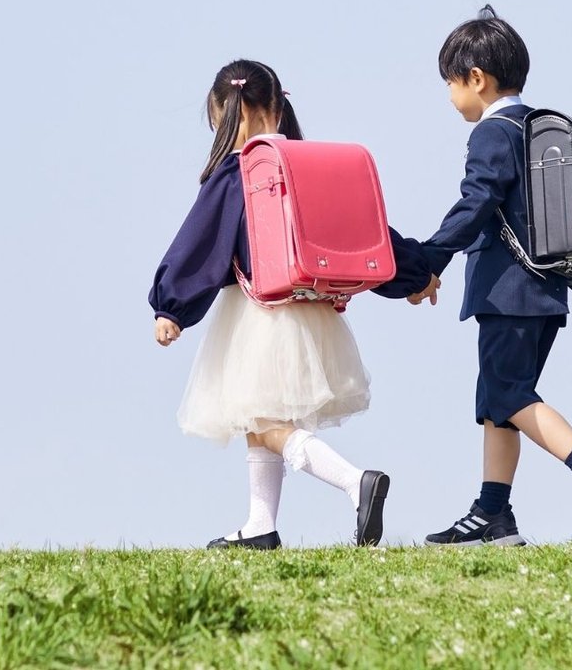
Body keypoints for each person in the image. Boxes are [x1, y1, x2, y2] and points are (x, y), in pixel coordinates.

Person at [150, 59, 435, 549]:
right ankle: (260, 525)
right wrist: (415, 274)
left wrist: (171, 306)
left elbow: (200, 242)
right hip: (314, 312)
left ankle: (354, 481)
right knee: (258, 418)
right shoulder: (308, 166)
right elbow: (364, 232)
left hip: (261, 315)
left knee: (263, 420)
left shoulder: (238, 172)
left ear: (225, 112)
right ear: (278, 107)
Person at [418, 6, 572, 546]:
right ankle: (493, 513)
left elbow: (475, 203)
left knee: (509, 394)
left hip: (508, 291)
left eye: (450, 82)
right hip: (545, 289)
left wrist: (430, 258)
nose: (449, 95)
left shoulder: (492, 133)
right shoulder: (532, 127)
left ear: (477, 78)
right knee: (498, 402)